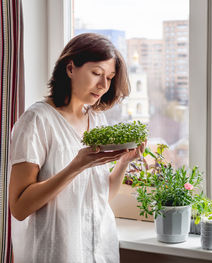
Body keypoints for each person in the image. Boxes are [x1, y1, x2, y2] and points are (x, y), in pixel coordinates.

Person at [9, 33, 145, 263]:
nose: (103, 85)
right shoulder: (37, 120)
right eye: (97, 73)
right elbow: (20, 207)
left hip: (99, 250)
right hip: (54, 252)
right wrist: (76, 166)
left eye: (110, 78)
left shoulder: (97, 120)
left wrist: (123, 162)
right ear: (70, 68)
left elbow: (99, 196)